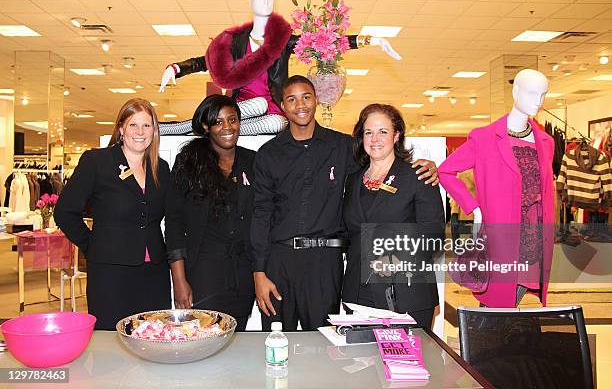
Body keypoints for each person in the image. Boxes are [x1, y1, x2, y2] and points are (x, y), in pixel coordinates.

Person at [251, 75, 439, 331]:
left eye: (306, 97)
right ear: (282, 106)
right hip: (279, 261)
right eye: (291, 99)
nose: (300, 105)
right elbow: (261, 213)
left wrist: (431, 166)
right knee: (274, 339)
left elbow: (383, 163)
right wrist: (259, 272)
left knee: (322, 344)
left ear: (316, 100)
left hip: (324, 261)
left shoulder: (343, 147)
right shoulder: (268, 153)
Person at [157, 0, 401, 136]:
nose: (266, 2)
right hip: (241, 105)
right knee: (256, 105)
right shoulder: (236, 42)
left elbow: (322, 41)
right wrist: (177, 68)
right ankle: (183, 127)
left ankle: (211, 130)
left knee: (276, 124)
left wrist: (368, 40)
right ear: (250, 1)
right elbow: (205, 61)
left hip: (270, 107)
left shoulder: (281, 41)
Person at [439, 69, 555, 308]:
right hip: (500, 233)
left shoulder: (546, 141)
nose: (538, 101)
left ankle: (496, 341)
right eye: (532, 93)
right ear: (515, 91)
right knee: (497, 301)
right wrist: (476, 209)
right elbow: (446, 171)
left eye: (543, 94)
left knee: (515, 297)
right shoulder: (484, 138)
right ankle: (485, 342)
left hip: (534, 235)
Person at [54, 98, 171, 330]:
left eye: (147, 126)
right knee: (111, 343)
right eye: (133, 125)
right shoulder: (97, 162)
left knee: (153, 337)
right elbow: (65, 212)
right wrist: (92, 245)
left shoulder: (162, 168)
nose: (140, 132)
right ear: (121, 128)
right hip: (110, 274)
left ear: (154, 131)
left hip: (154, 274)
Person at [342, 104, 445, 328]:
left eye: (383, 132)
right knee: (363, 361)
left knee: (406, 362)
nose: (375, 139)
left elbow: (433, 236)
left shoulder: (418, 176)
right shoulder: (353, 180)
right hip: (358, 292)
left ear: (397, 135)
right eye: (368, 132)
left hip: (405, 292)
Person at [165, 94, 255, 332]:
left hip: (243, 273)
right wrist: (179, 280)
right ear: (206, 126)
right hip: (204, 271)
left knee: (238, 338)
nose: (227, 127)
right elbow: (173, 223)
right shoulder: (189, 162)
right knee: (205, 337)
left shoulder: (253, 161)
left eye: (232, 120)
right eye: (218, 121)